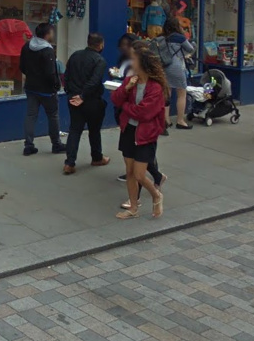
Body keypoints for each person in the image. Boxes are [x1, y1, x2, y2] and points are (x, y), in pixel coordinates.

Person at [110, 41, 167, 219]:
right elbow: (115, 99)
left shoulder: (155, 88)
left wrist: (125, 106)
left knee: (140, 174)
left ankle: (156, 195)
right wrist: (126, 89)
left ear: (143, 64)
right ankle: (133, 208)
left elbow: (144, 113)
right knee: (129, 172)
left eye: (134, 59)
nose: (131, 62)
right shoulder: (131, 81)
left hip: (145, 134)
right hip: (129, 131)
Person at [62, 33, 110, 174]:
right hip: (91, 99)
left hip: (74, 98)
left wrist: (70, 92)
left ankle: (69, 162)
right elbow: (94, 81)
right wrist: (83, 96)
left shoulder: (75, 56)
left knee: (74, 129)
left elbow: (66, 76)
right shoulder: (99, 60)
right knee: (94, 130)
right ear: (100, 45)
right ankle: (96, 157)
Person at [20, 22, 63, 156]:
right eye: (52, 32)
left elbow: (22, 67)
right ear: (47, 34)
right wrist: (56, 85)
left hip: (31, 87)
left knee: (31, 116)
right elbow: (50, 73)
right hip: (47, 90)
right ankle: (56, 144)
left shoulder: (27, 46)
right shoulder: (48, 51)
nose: (53, 34)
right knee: (53, 116)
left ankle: (28, 145)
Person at [159, 19, 195, 129]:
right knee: (181, 94)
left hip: (164, 67)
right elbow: (190, 49)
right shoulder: (180, 37)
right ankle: (180, 121)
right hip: (177, 67)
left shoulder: (162, 37)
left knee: (167, 94)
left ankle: (166, 120)